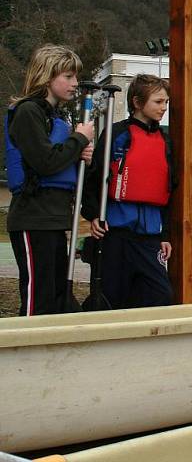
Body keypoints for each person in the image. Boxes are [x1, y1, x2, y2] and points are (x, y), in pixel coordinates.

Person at [5, 44, 94, 315]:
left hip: (54, 218)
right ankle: (27, 351)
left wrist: (83, 158)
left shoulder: (55, 118)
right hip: (33, 217)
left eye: (75, 77)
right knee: (38, 299)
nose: (75, 83)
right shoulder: (28, 112)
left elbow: (64, 169)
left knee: (58, 298)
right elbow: (44, 162)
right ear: (47, 76)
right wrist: (79, 140)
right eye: (68, 77)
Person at [82, 74, 175, 309]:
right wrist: (93, 213)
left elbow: (168, 189)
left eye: (166, 102)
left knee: (161, 295)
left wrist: (164, 235)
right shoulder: (116, 134)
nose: (164, 108)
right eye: (158, 102)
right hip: (116, 234)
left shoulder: (165, 141)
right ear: (137, 102)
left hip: (149, 237)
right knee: (109, 298)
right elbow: (94, 177)